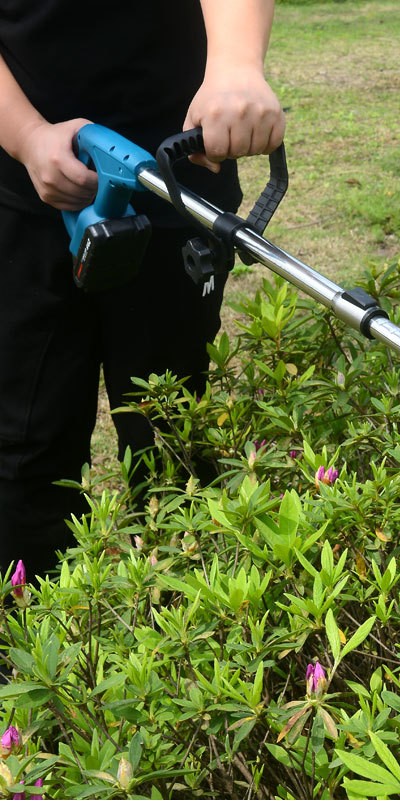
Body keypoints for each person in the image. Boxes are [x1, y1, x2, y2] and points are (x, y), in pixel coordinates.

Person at [0, 0, 286, 584]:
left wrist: (235, 64)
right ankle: (30, 628)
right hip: (20, 192)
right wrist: (27, 137)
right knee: (22, 448)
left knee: (172, 444)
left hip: (179, 178)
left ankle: (178, 623)